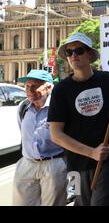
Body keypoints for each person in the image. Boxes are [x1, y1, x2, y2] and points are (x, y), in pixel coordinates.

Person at [48, 33, 109, 206]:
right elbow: (56, 134)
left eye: (79, 50)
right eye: (69, 52)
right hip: (73, 166)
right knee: (78, 204)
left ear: (90, 54)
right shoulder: (60, 90)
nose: (74, 55)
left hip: (107, 162)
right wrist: (91, 152)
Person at [12, 70, 67, 206]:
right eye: (27, 86)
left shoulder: (59, 107)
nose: (29, 90)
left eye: (34, 86)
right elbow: (24, 132)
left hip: (54, 164)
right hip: (27, 163)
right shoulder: (23, 107)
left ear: (48, 87)